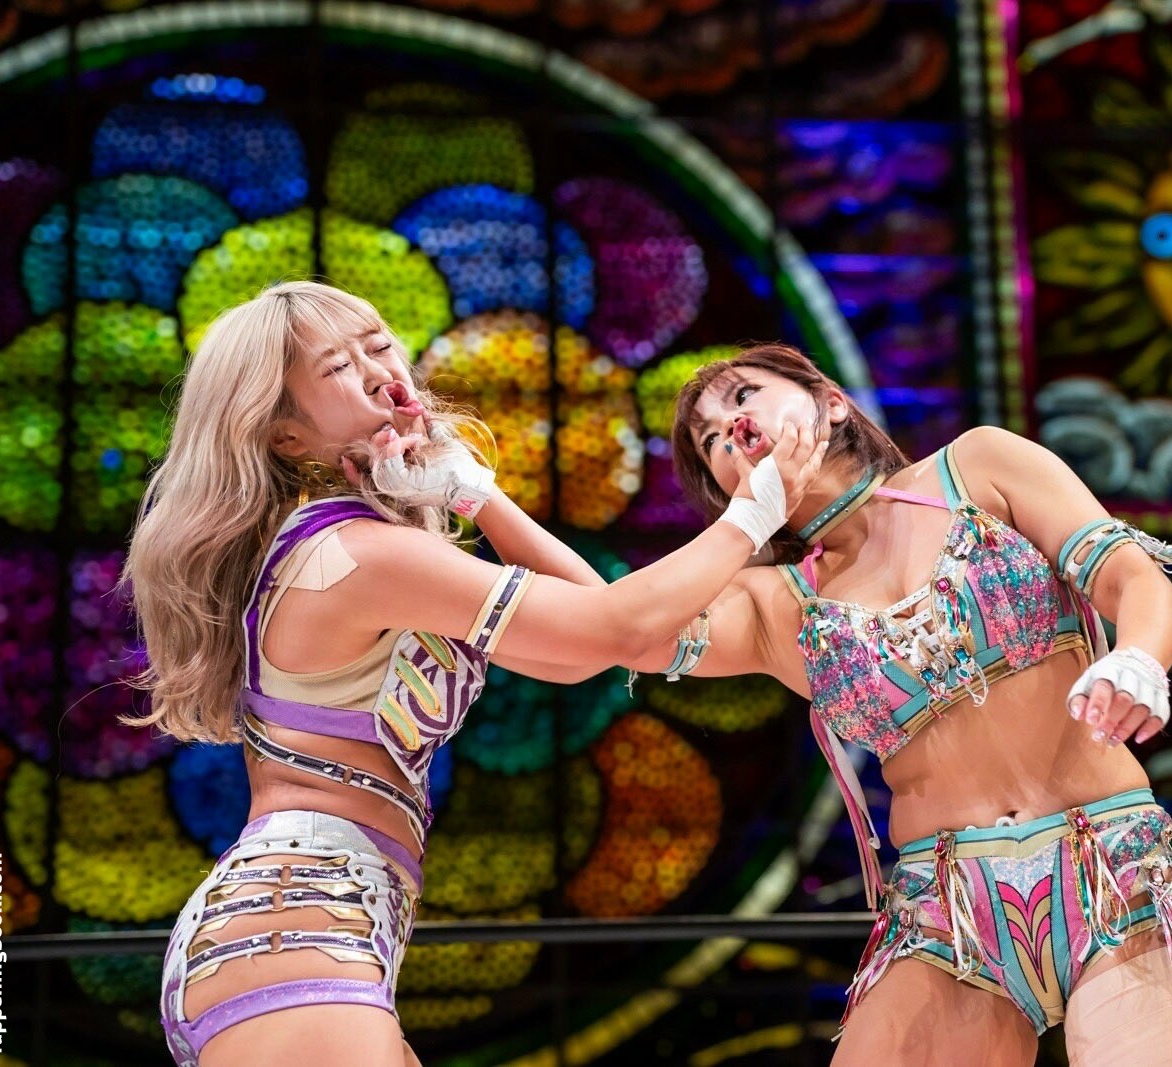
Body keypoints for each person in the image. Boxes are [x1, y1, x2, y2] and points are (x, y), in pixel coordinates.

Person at [124, 282, 825, 1067]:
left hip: (307, 932)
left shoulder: (355, 545)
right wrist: (750, 517)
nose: (379, 372)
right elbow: (617, 625)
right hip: (298, 929)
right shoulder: (358, 552)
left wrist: (477, 495)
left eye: (379, 346)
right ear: (287, 435)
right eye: (339, 367)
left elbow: (592, 650)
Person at [622, 344, 1172, 1065]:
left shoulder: (978, 466)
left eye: (743, 396)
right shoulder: (773, 604)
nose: (731, 428)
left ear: (831, 401)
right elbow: (611, 626)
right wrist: (501, 530)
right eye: (709, 441)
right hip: (945, 918)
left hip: (1115, 870)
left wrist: (1137, 656)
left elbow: (1133, 579)